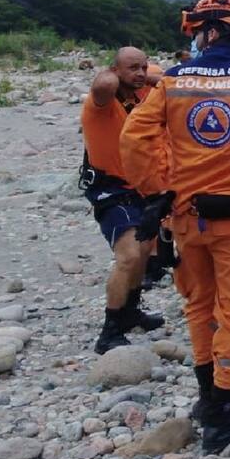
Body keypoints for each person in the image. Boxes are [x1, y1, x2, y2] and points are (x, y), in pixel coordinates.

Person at [120, 0, 230, 453]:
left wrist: (155, 190)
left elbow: (135, 135)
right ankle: (221, 415)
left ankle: (205, 399)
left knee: (199, 307)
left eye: (198, 31)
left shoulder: (172, 80)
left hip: (185, 219)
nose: (197, 38)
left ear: (209, 30)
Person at [80, 47, 165, 353]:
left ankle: (131, 311)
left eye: (143, 67)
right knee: (128, 255)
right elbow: (103, 85)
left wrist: (145, 76)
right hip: (110, 188)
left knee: (143, 252)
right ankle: (110, 330)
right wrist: (112, 73)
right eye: (132, 68)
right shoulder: (100, 104)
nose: (140, 73)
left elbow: (169, 81)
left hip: (141, 187)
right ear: (116, 70)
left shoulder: (141, 96)